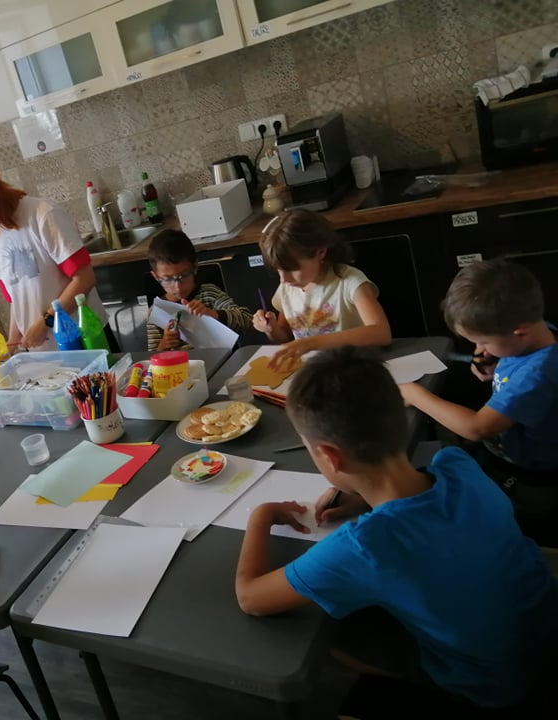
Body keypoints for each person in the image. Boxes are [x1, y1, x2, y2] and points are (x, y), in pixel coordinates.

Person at [234, 346, 558, 713]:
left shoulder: (366, 546)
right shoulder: (457, 464)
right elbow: (425, 505)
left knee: (331, 633)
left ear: (330, 456)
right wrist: (363, 498)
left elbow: (251, 598)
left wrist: (261, 515)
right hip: (544, 623)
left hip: (494, 683)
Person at [399, 259, 558, 546]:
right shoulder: (539, 333)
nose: (479, 349)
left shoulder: (537, 375)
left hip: (530, 483)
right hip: (507, 457)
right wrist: (498, 364)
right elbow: (516, 364)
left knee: (502, 533)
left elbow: (477, 427)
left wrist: (416, 395)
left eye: (483, 341)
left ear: (520, 332)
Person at [0, 156, 118, 352]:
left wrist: (46, 321)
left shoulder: (43, 215)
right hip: (43, 351)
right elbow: (17, 300)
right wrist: (11, 343)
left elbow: (84, 279)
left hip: (84, 338)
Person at [252, 209, 390, 369]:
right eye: (278, 269)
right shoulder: (287, 288)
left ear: (321, 252)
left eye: (292, 269)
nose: (283, 279)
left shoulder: (350, 282)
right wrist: (271, 329)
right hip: (314, 370)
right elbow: (285, 337)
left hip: (353, 368)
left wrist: (311, 343)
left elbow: (381, 333)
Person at [145, 229, 252, 351]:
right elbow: (151, 357)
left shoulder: (209, 294)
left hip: (219, 360)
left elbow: (247, 319)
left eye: (184, 276)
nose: (178, 286)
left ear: (195, 267)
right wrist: (164, 345)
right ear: (156, 276)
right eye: (167, 279)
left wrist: (212, 314)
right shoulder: (156, 312)